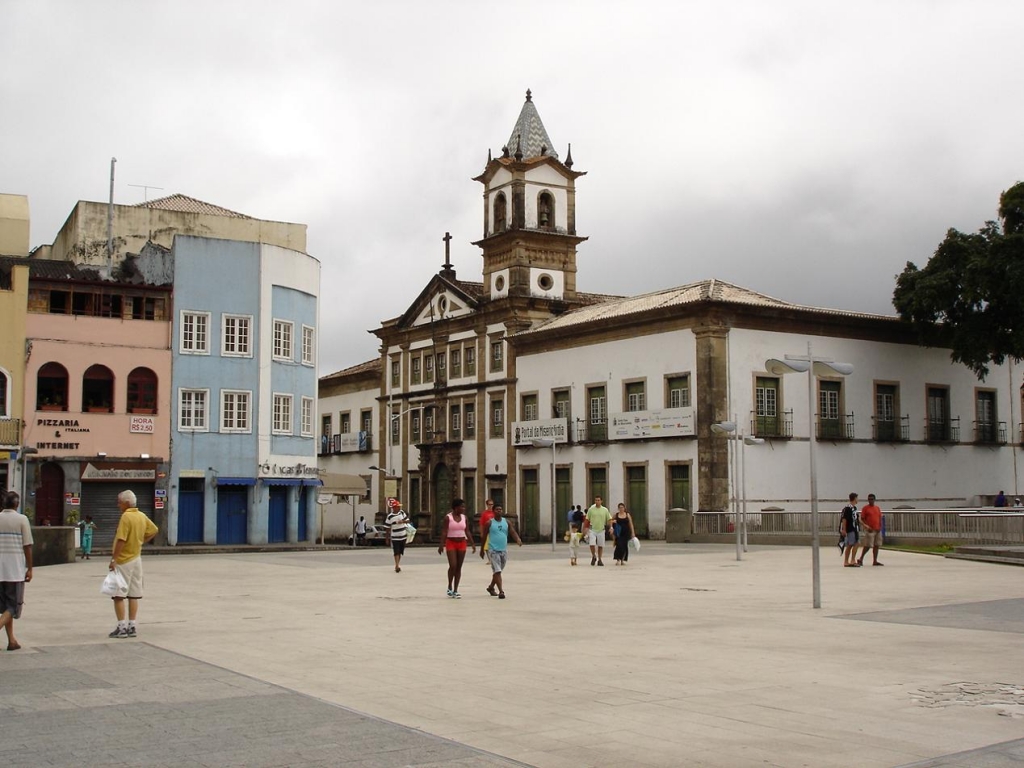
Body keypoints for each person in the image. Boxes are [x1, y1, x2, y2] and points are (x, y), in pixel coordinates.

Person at [108, 490, 158, 638]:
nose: (118, 505)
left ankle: (121, 627)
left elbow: (121, 539)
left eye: (119, 502)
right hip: (137, 558)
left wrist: (114, 559)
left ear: (126, 503)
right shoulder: (141, 516)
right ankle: (132, 625)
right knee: (133, 595)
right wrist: (141, 541)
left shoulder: (126, 517)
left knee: (118, 595)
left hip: (124, 559)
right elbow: (154, 530)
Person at [0, 491, 33, 651]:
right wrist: (30, 569)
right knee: (13, 607)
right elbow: (27, 545)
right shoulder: (22, 519)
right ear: (17, 504)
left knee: (5, 607)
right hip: (14, 571)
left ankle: (11, 640)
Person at [481, 504, 521, 599]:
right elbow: (484, 537)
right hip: (493, 550)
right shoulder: (489, 523)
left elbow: (512, 532)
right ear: (493, 511)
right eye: (497, 509)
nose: (499, 511)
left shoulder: (506, 522)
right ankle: (501, 591)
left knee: (498, 571)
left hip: (503, 550)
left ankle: (491, 587)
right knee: (497, 571)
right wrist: (482, 549)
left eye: (500, 509)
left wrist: (518, 539)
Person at [438, 498, 476, 598]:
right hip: (451, 542)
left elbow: (467, 531)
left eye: (464, 507)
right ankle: (450, 585)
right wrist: (441, 544)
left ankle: (455, 589)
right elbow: (444, 531)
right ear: (456, 508)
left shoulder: (464, 518)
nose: (463, 508)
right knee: (453, 565)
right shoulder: (448, 518)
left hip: (462, 542)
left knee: (459, 567)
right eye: (461, 507)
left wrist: (472, 543)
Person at [857, 494, 884, 566]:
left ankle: (875, 560)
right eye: (869, 499)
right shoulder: (865, 508)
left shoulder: (877, 508)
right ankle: (861, 559)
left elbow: (879, 518)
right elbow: (862, 518)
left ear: (874, 500)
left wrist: (880, 527)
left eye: (872, 499)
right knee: (868, 545)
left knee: (877, 545)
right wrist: (867, 526)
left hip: (877, 529)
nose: (870, 500)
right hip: (870, 530)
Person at [384, 499, 409, 573]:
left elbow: (407, 520)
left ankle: (397, 563)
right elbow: (387, 528)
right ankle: (397, 565)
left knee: (400, 551)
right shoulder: (390, 516)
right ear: (394, 508)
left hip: (403, 535)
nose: (398, 508)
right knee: (396, 551)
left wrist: (402, 521)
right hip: (395, 537)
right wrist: (387, 538)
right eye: (397, 506)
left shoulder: (402, 513)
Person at [585, 495, 612, 566]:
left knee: (600, 545)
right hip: (592, 529)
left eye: (598, 500)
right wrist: (585, 529)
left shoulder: (605, 510)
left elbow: (609, 519)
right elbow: (587, 519)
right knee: (592, 544)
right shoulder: (591, 509)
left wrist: (611, 527)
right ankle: (594, 555)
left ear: (601, 501)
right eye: (596, 500)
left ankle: (600, 559)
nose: (597, 501)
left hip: (601, 529)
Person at [840, 492, 860, 568]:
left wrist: (864, 525)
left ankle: (851, 560)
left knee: (854, 544)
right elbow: (844, 519)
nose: (858, 500)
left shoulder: (854, 508)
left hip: (855, 528)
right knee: (851, 544)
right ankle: (849, 561)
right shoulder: (848, 508)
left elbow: (856, 518)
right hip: (850, 529)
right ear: (854, 498)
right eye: (857, 498)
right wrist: (844, 529)